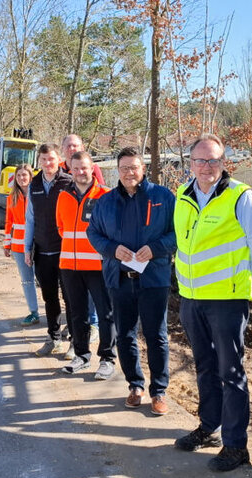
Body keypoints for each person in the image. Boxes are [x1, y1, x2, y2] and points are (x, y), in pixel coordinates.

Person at [172, 134, 252, 472]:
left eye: (213, 160)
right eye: (200, 160)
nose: (206, 166)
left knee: (231, 372)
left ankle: (236, 446)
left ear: (223, 162)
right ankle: (209, 427)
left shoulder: (240, 196)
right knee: (205, 368)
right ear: (190, 163)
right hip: (192, 298)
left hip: (227, 300)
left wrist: (244, 283)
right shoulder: (183, 195)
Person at [87, 147, 176, 415]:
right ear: (118, 170)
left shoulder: (163, 197)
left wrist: (158, 247)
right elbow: (93, 233)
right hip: (120, 279)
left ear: (143, 168)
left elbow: (179, 233)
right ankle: (135, 386)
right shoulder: (106, 202)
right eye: (124, 168)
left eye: (134, 167)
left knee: (156, 335)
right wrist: (111, 249)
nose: (129, 173)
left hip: (154, 280)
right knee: (125, 335)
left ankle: (158, 391)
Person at [55, 151, 117, 378]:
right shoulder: (63, 196)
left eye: (85, 167)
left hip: (98, 267)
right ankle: (81, 355)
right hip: (70, 267)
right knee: (77, 313)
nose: (81, 172)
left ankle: (107, 359)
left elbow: (112, 230)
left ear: (93, 169)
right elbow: (61, 227)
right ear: (70, 170)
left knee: (105, 313)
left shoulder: (106, 196)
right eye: (76, 168)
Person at [24, 144, 73, 357]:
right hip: (43, 253)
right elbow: (30, 218)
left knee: (71, 298)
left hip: (66, 252)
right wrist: (27, 248)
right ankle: (53, 338)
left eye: (51, 159)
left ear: (59, 158)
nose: (47, 163)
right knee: (49, 298)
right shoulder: (34, 184)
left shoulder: (68, 182)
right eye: (43, 159)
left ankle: (74, 341)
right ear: (39, 161)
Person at [58, 134, 103, 341]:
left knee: (101, 307)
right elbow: (61, 225)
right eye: (68, 146)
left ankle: (94, 328)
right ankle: (79, 346)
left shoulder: (100, 185)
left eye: (75, 145)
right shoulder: (61, 182)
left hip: (95, 258)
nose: (71, 148)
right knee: (75, 306)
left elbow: (101, 205)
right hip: (69, 257)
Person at [4, 164, 40, 326]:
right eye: (18, 176)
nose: (21, 178)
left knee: (45, 280)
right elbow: (8, 221)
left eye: (24, 175)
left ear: (31, 177)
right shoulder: (11, 198)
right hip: (18, 245)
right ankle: (33, 312)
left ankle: (55, 313)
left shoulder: (38, 194)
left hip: (39, 243)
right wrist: (7, 244)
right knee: (26, 280)